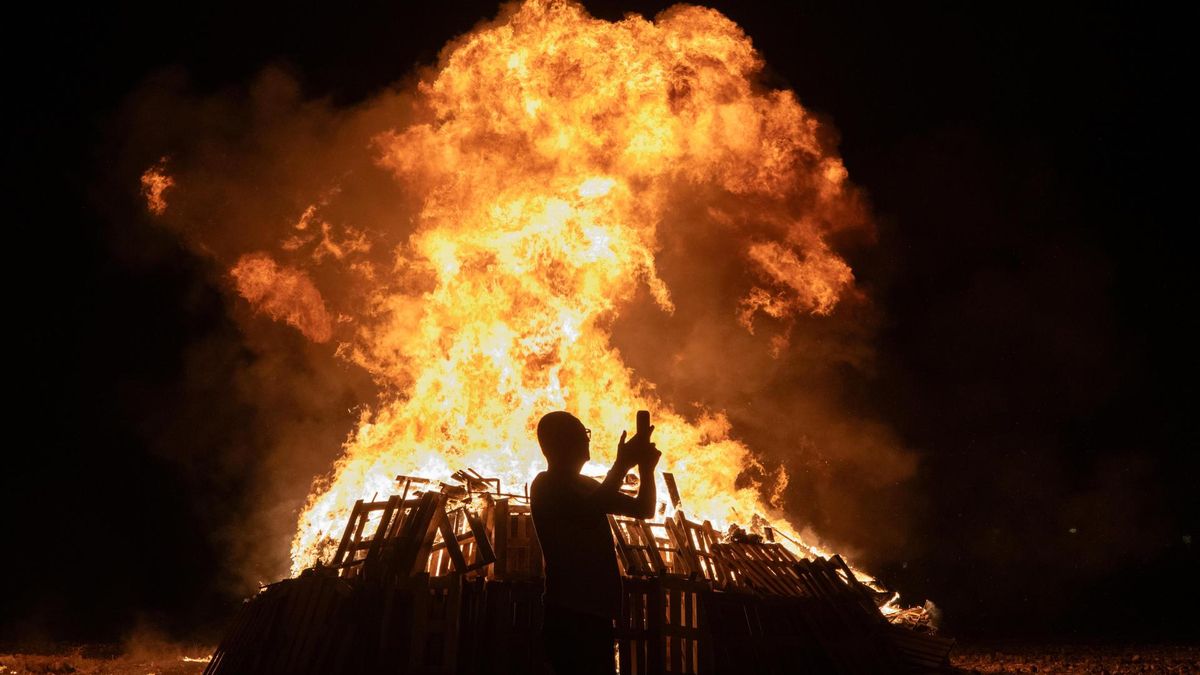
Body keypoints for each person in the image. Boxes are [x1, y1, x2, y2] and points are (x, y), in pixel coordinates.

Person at [530, 410, 661, 675]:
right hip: (570, 615)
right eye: (581, 433)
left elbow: (644, 509)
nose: (587, 439)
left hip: (596, 614)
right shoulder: (546, 485)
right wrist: (622, 464)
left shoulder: (587, 485)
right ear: (561, 442)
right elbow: (587, 514)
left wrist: (646, 468)